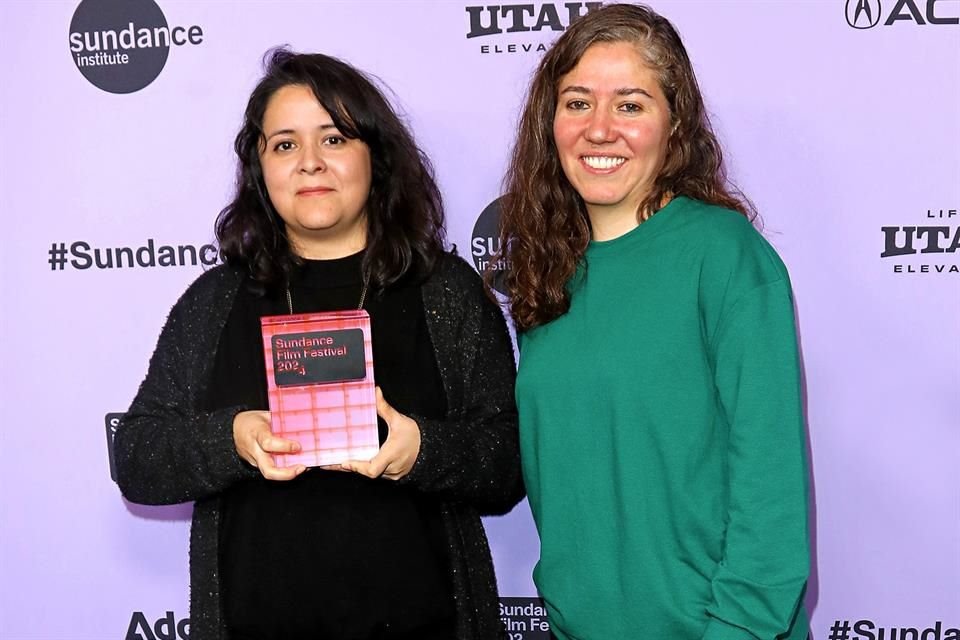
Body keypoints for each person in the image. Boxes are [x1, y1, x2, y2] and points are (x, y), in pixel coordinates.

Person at [115, 49, 523, 640]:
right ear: (260, 168)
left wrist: (422, 450)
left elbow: (508, 463)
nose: (309, 163)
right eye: (284, 145)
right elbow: (137, 458)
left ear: (375, 158)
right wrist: (231, 439)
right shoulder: (215, 300)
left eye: (334, 139)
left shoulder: (447, 291)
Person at [492, 4, 810, 639]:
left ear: (675, 124)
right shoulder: (546, 272)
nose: (600, 129)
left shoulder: (725, 257)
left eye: (630, 105)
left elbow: (769, 488)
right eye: (577, 102)